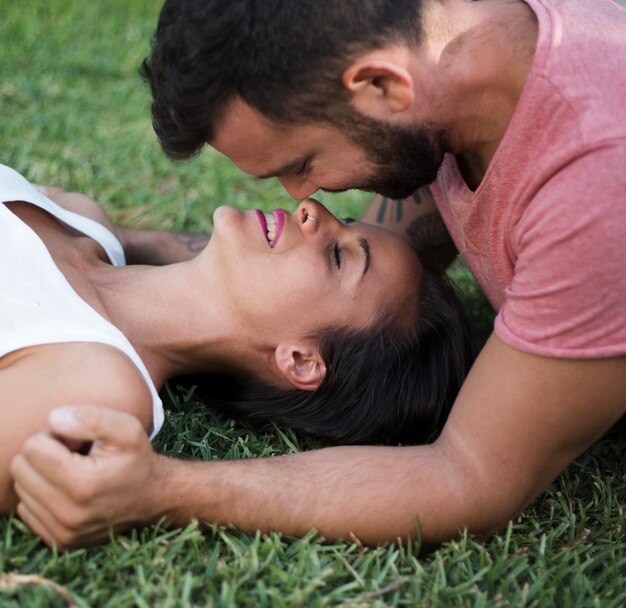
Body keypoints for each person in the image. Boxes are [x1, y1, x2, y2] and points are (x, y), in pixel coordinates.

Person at [11, 0, 625, 549]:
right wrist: (103, 242)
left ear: (384, 85)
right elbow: (377, 268)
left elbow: (466, 473)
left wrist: (162, 489)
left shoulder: (599, 189)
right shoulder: (457, 65)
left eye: (302, 162)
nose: (308, 198)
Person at [0, 163, 476, 513]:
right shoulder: (80, 218)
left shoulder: (101, 383)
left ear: (301, 360)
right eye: (346, 224)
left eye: (337, 257)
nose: (313, 210)